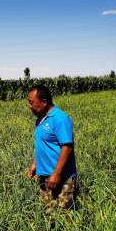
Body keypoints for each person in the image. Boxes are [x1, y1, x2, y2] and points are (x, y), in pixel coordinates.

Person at [27, 85, 77, 214]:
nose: (30, 106)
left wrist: (56, 174)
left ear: (44, 102)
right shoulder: (40, 119)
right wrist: (35, 164)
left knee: (65, 216)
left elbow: (67, 146)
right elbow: (42, 144)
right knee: (49, 214)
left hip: (61, 177)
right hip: (45, 175)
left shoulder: (60, 119)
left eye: (31, 103)